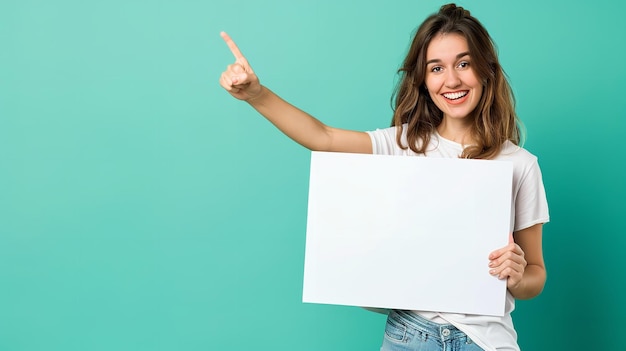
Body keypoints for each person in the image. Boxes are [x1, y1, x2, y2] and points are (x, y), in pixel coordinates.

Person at [219, 3, 549, 351]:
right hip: (409, 335)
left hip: (486, 341)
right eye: (436, 68)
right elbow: (323, 138)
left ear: (486, 70)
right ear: (423, 79)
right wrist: (257, 95)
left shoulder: (520, 164)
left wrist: (516, 274)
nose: (451, 80)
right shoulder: (404, 144)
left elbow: (535, 276)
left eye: (464, 64)